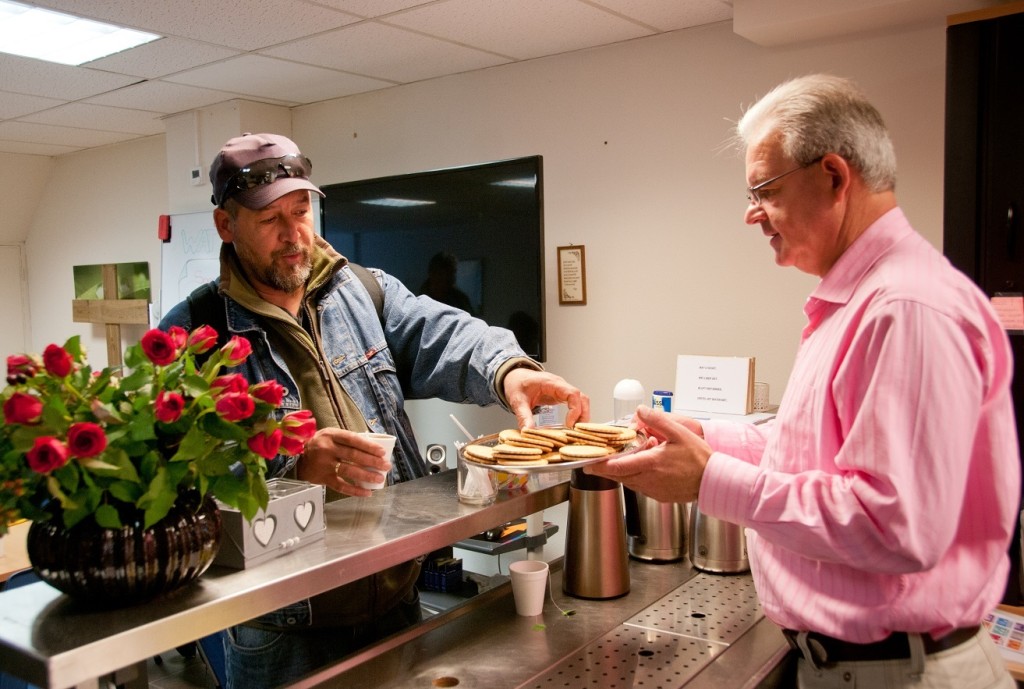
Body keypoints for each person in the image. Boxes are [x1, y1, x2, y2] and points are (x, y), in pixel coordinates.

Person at [587, 74, 1020, 688]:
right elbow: (820, 456)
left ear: (835, 177)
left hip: (900, 674)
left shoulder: (906, 307)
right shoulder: (855, 301)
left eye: (764, 189)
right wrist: (705, 436)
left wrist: (710, 480)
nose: (751, 213)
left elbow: (895, 527)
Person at [159, 132, 590, 689]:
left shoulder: (360, 292)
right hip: (284, 630)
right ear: (226, 225)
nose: (295, 235)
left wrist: (512, 370)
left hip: (394, 598)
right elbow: (177, 490)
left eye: (302, 211)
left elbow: (446, 334)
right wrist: (291, 473)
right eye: (270, 220)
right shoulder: (192, 337)